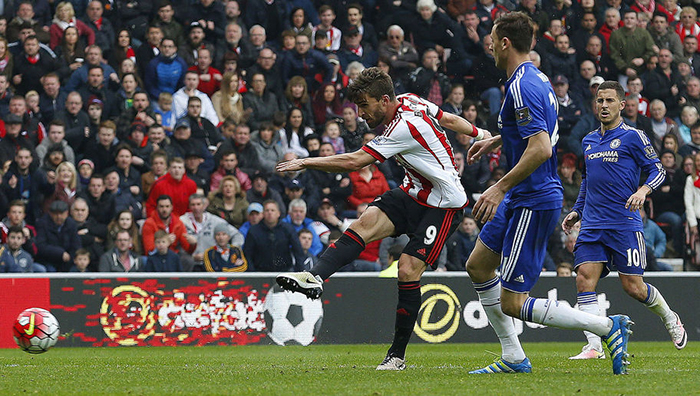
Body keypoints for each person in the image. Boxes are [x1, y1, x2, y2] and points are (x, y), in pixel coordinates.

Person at [275, 65, 489, 370]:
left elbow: (354, 161)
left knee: (407, 268)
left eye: (364, 105)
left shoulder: (403, 126)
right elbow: (450, 119)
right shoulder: (410, 99)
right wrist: (481, 133)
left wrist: (306, 162)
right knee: (364, 222)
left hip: (444, 204)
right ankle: (315, 277)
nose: (361, 113)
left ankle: (396, 356)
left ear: (385, 100)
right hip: (413, 191)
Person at [464, 13, 634, 376]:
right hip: (521, 195)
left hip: (533, 197)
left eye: (493, 39)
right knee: (477, 265)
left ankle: (606, 327)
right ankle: (513, 356)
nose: (490, 45)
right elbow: (543, 131)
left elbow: (541, 148)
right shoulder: (532, 77)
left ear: (505, 43)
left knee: (512, 302)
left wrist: (499, 186)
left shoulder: (524, 84)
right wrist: (497, 139)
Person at [561, 80, 686, 360]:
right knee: (584, 279)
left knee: (633, 287)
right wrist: (577, 210)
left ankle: (669, 317)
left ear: (622, 104)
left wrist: (643, 189)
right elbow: (587, 181)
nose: (603, 105)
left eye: (609, 101)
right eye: (599, 101)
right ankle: (593, 346)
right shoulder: (589, 140)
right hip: (592, 223)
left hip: (624, 223)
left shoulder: (634, 137)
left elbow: (658, 170)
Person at [244, 200, 307, 272]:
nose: (270, 213)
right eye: (267, 210)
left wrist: (299, 272)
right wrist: (252, 273)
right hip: (260, 272)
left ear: (278, 213)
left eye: (272, 210)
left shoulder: (288, 229)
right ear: (263, 213)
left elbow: (298, 251)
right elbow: (247, 254)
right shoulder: (253, 231)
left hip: (284, 272)